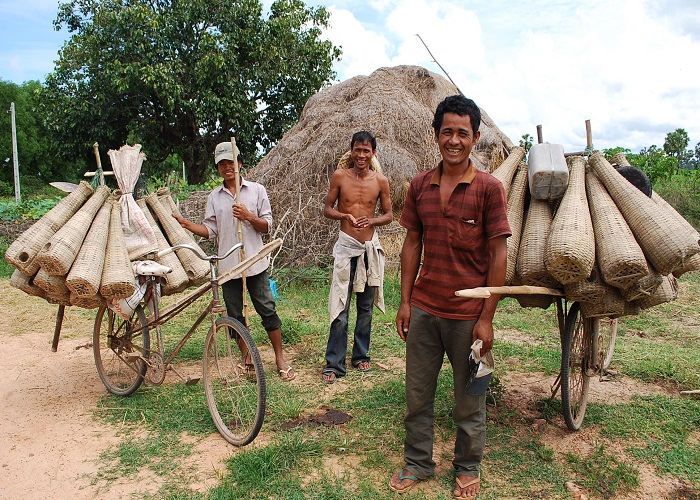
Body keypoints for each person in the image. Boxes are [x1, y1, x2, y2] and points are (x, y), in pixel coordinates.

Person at [389, 95, 511, 498]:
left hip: (467, 316)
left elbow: (498, 254)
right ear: (436, 135)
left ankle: (467, 466)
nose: (454, 140)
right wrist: (406, 302)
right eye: (447, 132)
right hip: (425, 309)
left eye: (463, 133)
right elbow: (411, 243)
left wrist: (487, 317)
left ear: (475, 137)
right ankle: (418, 462)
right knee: (417, 395)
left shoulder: (490, 189)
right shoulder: (420, 185)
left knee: (469, 399)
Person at [173, 142, 295, 381]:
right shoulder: (214, 197)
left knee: (267, 310)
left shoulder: (256, 190)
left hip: (255, 264)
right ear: (218, 168)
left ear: (240, 164)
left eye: (231, 162)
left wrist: (249, 217)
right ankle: (247, 359)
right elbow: (210, 230)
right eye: (222, 164)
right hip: (229, 268)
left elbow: (267, 226)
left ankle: (280, 358)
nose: (227, 167)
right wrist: (188, 225)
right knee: (235, 316)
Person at [321, 131, 393, 384]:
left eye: (366, 151)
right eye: (357, 150)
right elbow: (327, 208)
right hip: (346, 247)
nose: (361, 155)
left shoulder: (380, 181)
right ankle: (334, 363)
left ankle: (361, 355)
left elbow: (389, 214)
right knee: (340, 305)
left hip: (369, 248)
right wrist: (344, 216)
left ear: (373, 152)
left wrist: (371, 220)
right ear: (351, 151)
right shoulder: (340, 177)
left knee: (365, 307)